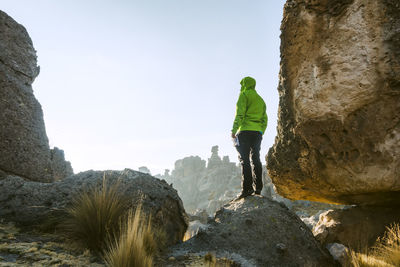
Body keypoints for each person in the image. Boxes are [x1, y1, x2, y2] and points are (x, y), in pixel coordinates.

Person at [231, 76, 268, 199]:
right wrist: (261, 131)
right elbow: (265, 119)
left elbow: (240, 114)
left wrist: (234, 130)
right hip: (257, 133)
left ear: (244, 84)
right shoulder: (260, 100)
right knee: (256, 159)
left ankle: (247, 189)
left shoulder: (244, 95)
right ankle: (258, 188)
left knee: (244, 160)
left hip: (245, 131)